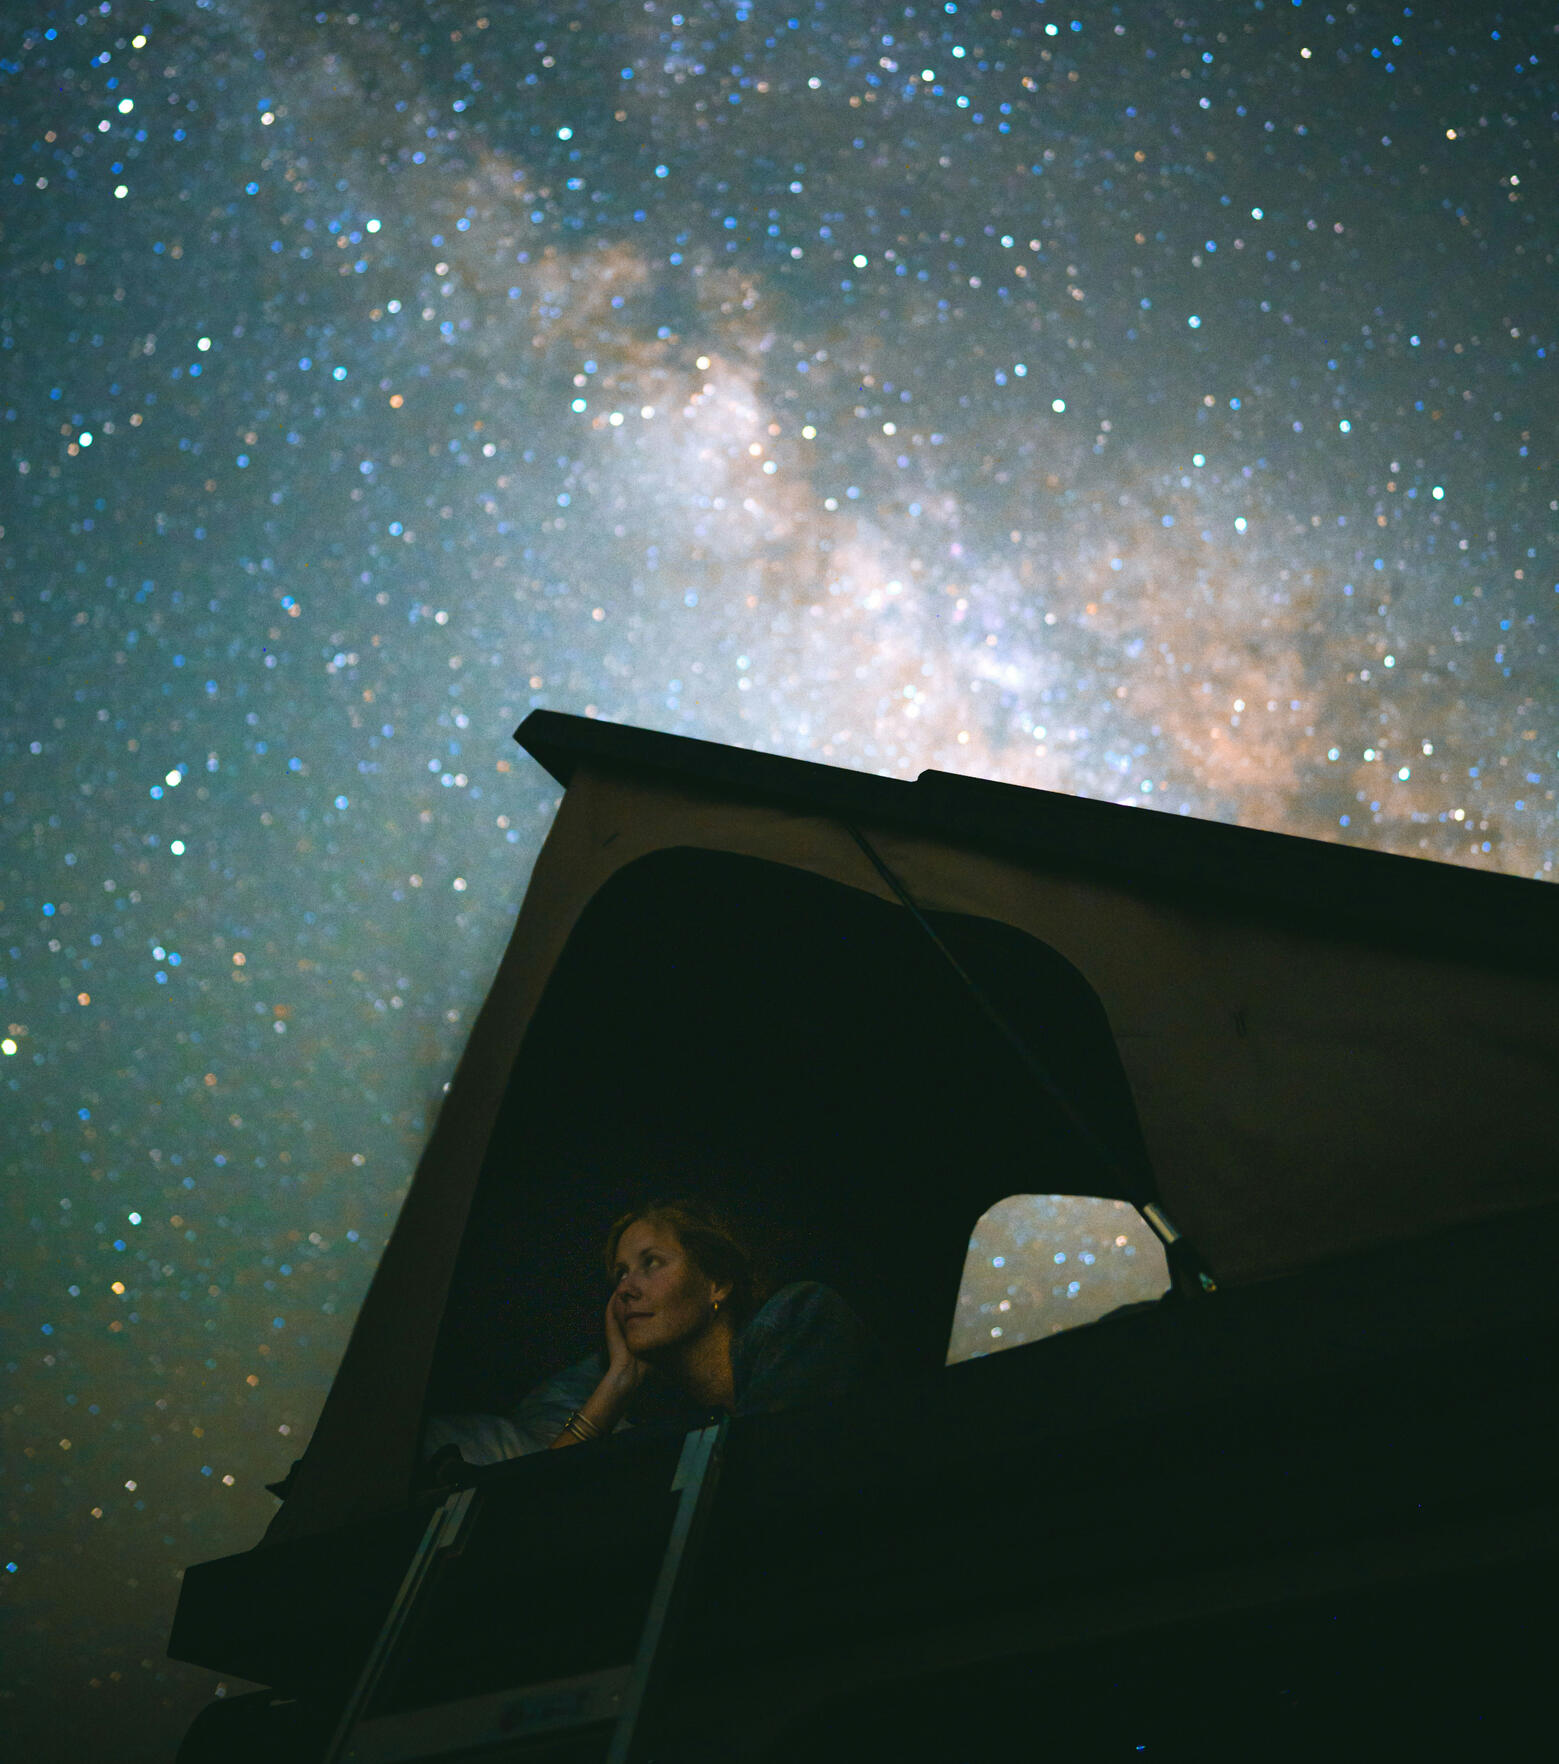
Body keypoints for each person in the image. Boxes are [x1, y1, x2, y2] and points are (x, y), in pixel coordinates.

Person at [421, 1199, 884, 1469]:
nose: (626, 1287)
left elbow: (768, 1481)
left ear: (716, 1283)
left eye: (652, 1263)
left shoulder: (797, 1313)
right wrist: (618, 1380)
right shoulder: (653, 1402)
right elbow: (518, 1508)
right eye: (620, 1274)